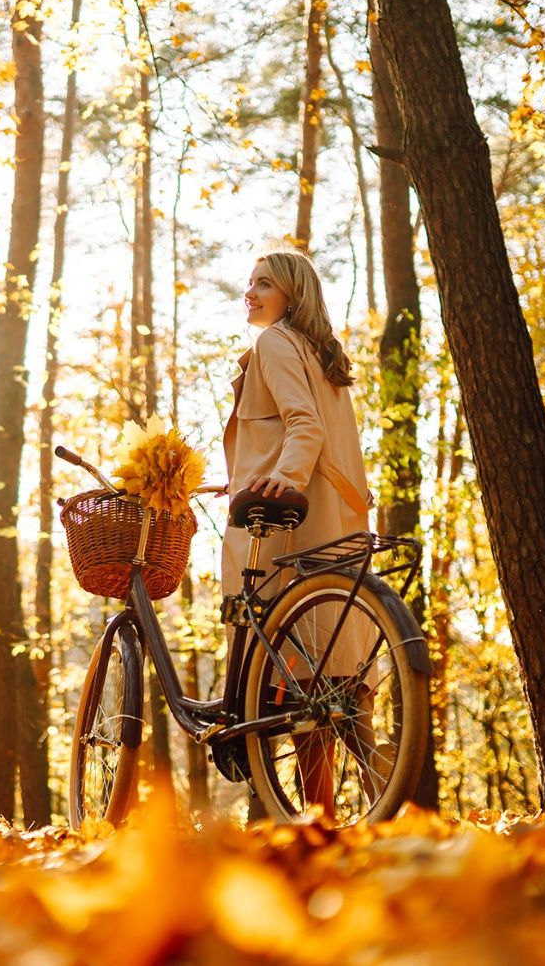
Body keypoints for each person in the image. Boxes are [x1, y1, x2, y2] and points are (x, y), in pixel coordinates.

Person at [221, 246, 376, 815]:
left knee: (288, 669)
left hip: (290, 518)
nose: (252, 292)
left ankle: (308, 820)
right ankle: (340, 813)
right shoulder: (319, 351)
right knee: (332, 677)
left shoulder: (274, 342)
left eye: (265, 283)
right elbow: (304, 432)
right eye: (250, 281)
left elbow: (301, 426)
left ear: (293, 293)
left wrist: (280, 482)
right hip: (332, 514)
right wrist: (238, 479)